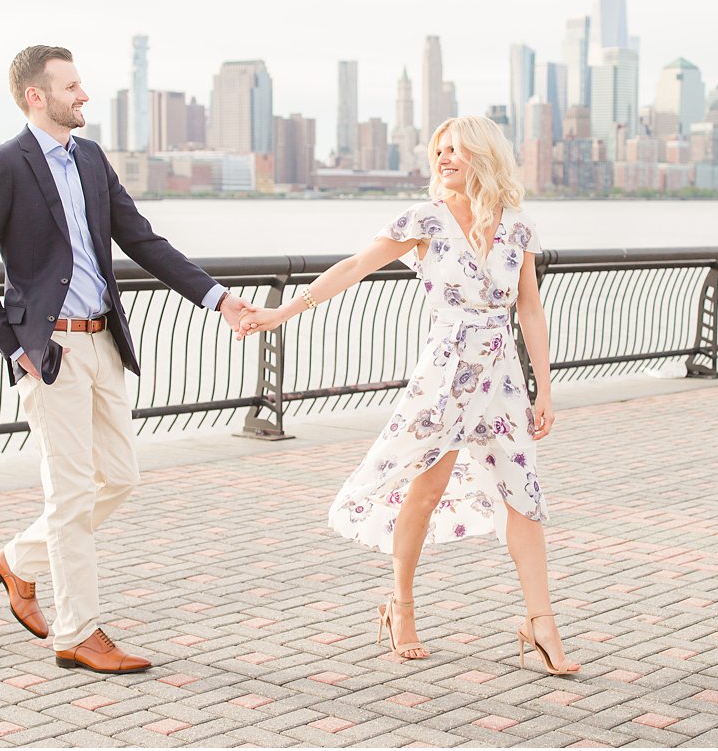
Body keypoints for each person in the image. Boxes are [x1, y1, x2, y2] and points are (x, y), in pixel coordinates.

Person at [0, 44, 258, 674]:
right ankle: (77, 632)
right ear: (38, 96)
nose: (83, 94)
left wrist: (217, 298)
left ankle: (19, 562)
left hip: (103, 342)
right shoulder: (7, 165)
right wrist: (15, 347)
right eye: (72, 85)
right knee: (68, 494)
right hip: (52, 353)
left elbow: (141, 239)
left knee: (119, 476)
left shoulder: (89, 158)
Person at [237, 115, 579, 674]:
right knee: (426, 489)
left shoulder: (518, 225)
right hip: (444, 377)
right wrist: (281, 311)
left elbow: (530, 308)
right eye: (439, 149)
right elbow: (353, 267)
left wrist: (545, 388)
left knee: (525, 497)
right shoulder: (424, 219)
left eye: (457, 150)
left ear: (484, 157)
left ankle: (540, 622)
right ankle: (402, 607)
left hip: (504, 378)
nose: (444, 158)